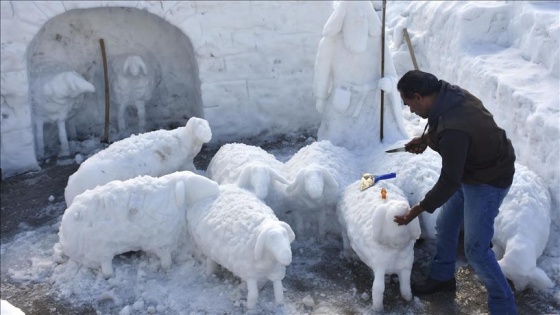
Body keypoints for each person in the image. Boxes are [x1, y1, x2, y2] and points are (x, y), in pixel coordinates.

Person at [393, 70, 517, 314]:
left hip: (488, 179)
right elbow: (450, 132)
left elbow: (449, 180)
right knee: (446, 224)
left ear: (419, 97)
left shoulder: (453, 129)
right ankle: (442, 277)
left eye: (409, 104)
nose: (410, 111)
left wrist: (417, 209)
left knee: (477, 251)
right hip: (471, 170)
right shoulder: (447, 95)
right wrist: (427, 140)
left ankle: (504, 307)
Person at [313, 1, 408, 151]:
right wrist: (321, 97)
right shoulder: (330, 42)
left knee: (379, 147)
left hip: (374, 109)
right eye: (354, 11)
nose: (359, 16)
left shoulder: (378, 42)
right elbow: (322, 71)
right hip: (341, 105)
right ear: (343, 15)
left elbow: (391, 75)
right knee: (332, 147)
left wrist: (388, 83)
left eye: (362, 12)